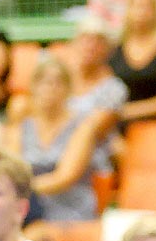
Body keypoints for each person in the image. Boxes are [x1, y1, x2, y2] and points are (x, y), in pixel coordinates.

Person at [7, 57, 104, 224]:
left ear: (68, 89)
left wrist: (19, 190)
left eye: (58, 83)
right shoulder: (21, 125)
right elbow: (12, 170)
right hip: (27, 206)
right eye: (44, 83)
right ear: (34, 87)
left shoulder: (83, 126)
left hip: (69, 206)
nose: (50, 89)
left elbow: (65, 177)